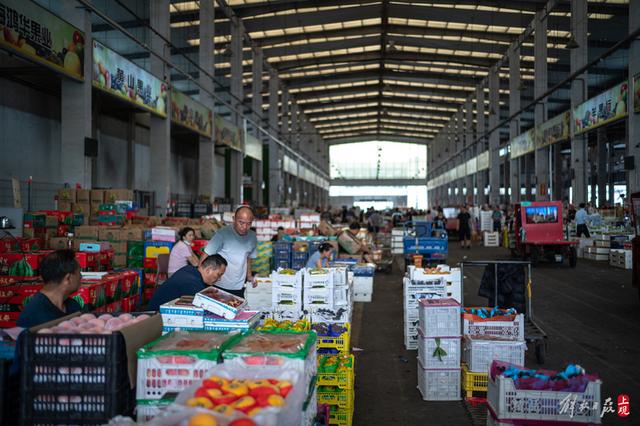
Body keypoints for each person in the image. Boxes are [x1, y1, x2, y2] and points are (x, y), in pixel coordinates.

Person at [17, 249, 83, 328]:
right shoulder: (35, 315)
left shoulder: (73, 306)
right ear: (68, 279)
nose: (81, 277)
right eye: (79, 272)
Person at [202, 206, 258, 298]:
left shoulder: (252, 237)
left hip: (239, 285)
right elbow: (206, 255)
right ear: (233, 219)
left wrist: (249, 276)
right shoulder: (222, 234)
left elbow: (249, 257)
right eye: (241, 223)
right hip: (218, 285)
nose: (244, 227)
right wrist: (201, 280)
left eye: (249, 224)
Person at [147, 254, 227, 311]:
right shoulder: (191, 283)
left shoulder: (190, 270)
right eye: (218, 275)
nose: (219, 279)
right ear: (208, 270)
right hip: (156, 316)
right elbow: (209, 306)